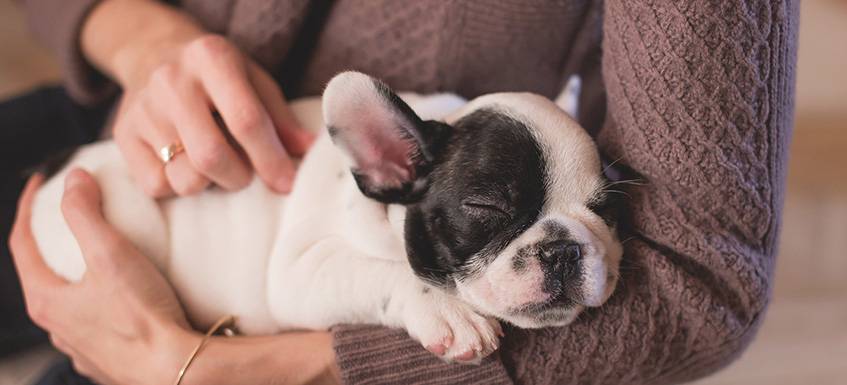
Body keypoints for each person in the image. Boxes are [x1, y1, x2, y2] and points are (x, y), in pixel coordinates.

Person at [5, 0, 798, 384]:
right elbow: (302, 275)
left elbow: (703, 281)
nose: (563, 248)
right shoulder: (403, 167)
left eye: (600, 209)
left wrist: (212, 368)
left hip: (218, 327)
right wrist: (136, 34)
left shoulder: (457, 166)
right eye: (495, 219)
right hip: (123, 159)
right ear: (385, 166)